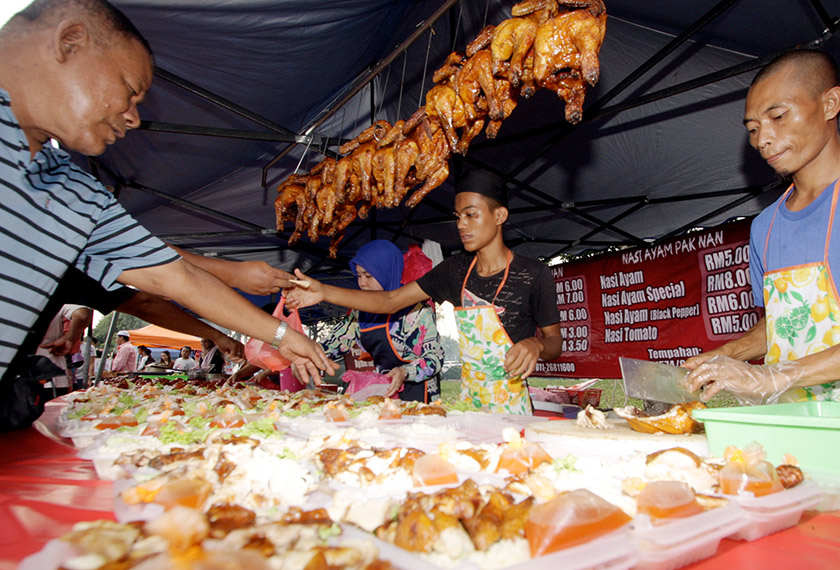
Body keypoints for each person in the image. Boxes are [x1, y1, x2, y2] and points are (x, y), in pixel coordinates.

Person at [0, 0, 335, 389]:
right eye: (129, 91)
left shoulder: (76, 193)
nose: (133, 118)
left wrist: (282, 336)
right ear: (70, 42)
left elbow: (177, 277)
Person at [287, 169, 564, 414]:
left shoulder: (533, 274)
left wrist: (535, 344)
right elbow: (391, 300)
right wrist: (324, 291)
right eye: (458, 217)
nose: (461, 225)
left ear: (499, 215)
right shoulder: (455, 271)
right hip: (470, 404)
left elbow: (554, 343)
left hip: (512, 406)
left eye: (471, 215)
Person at [685, 49, 840, 405]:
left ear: (830, 104)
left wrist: (773, 376)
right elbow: (787, 322)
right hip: (793, 427)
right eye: (753, 129)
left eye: (778, 116)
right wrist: (731, 353)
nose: (762, 140)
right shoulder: (765, 226)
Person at [320, 240, 444, 402]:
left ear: (387, 272)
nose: (362, 283)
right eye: (359, 275)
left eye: (368, 276)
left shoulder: (415, 311)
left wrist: (405, 372)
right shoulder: (361, 312)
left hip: (419, 394)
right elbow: (335, 341)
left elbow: (435, 358)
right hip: (385, 391)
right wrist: (307, 354)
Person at [37, 304, 92, 397]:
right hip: (54, 377)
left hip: (17, 380)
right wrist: (69, 339)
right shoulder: (53, 303)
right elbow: (82, 315)